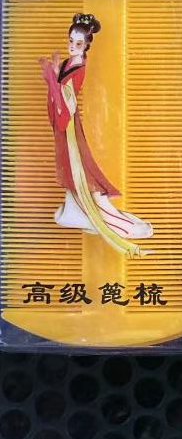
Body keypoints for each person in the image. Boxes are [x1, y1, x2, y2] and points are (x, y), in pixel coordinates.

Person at [39, 13, 153, 257]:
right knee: (74, 175)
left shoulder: (78, 68)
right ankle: (74, 210)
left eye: (78, 43)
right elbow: (60, 94)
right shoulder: (68, 64)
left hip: (69, 128)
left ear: (86, 45)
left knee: (81, 174)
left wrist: (53, 82)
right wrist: (54, 76)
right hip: (65, 127)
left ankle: (122, 226)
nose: (72, 46)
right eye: (70, 41)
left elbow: (66, 107)